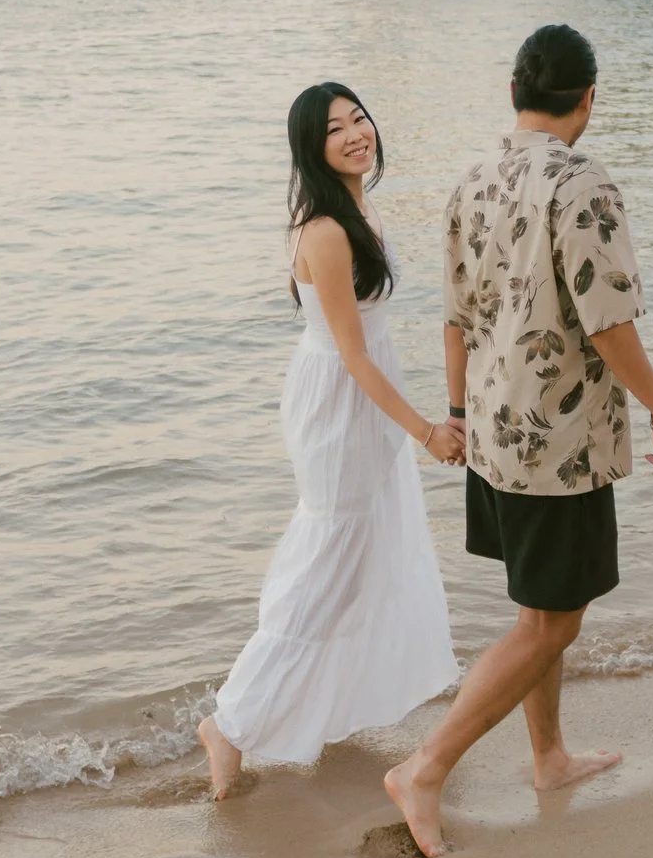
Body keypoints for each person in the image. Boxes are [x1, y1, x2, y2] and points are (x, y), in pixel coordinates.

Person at [382, 24, 653, 856]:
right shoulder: (584, 181)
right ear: (588, 97)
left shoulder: (472, 180)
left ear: (514, 94)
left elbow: (454, 317)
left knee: (537, 603)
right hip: (560, 441)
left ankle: (548, 756)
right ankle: (426, 766)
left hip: (489, 427)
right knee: (554, 622)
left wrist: (453, 412)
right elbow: (609, 322)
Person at [197, 82, 467, 798]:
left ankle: (321, 706)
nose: (355, 133)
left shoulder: (361, 208)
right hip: (343, 402)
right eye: (334, 128)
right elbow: (353, 353)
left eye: (359, 118)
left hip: (362, 395)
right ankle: (228, 723)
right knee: (327, 561)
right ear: (311, 149)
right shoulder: (324, 228)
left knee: (360, 558)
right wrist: (426, 431)